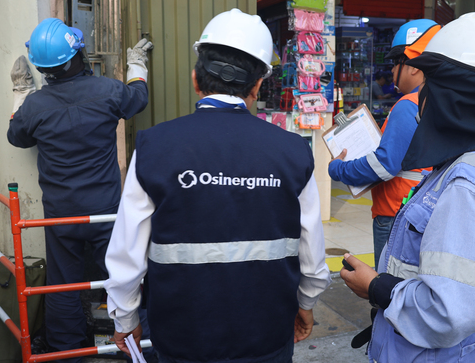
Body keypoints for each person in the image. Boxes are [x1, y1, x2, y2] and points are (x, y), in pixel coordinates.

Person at [103, 8, 331, 363]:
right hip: (267, 336)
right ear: (257, 86)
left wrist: (124, 316)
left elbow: (127, 252)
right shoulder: (292, 151)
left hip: (181, 338)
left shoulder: (154, 146)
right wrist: (306, 304)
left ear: (196, 79)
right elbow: (312, 255)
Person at [341, 12, 475, 362]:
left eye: (431, 84)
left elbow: (448, 314)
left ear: (453, 95)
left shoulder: (468, 185)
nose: (423, 96)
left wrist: (375, 287)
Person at [6, 18, 156, 362]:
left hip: (60, 214)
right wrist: (136, 65)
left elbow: (17, 136)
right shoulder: (107, 90)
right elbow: (138, 98)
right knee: (121, 279)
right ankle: (140, 345)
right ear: (76, 57)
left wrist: (22, 94)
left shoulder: (36, 106)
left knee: (63, 285)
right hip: (105, 210)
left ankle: (67, 352)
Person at [328, 19, 441, 267]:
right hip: (424, 212)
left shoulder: (407, 106)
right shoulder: (440, 103)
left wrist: (338, 169)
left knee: (387, 288)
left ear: (413, 65)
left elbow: (384, 165)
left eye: (395, 63)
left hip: (394, 214)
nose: (390, 71)